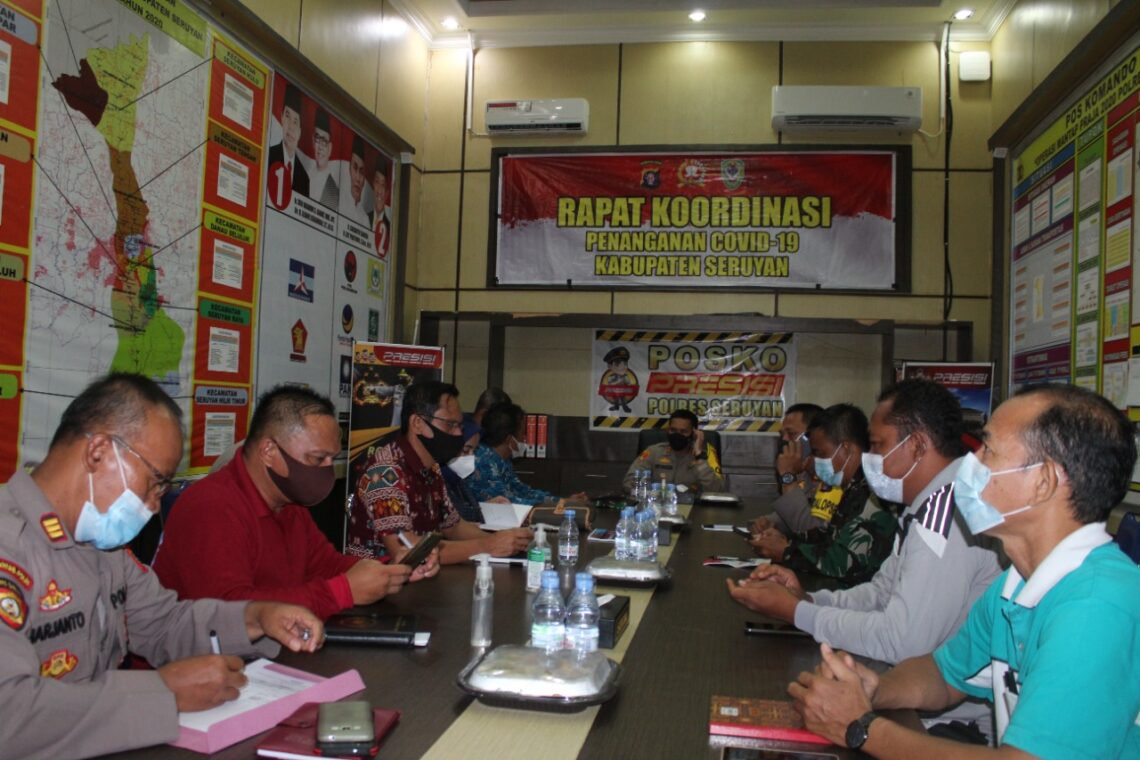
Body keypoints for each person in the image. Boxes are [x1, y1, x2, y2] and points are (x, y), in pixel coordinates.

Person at [788, 385, 1140, 758]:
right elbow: (943, 674)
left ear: (1043, 482)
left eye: (988, 451)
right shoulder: (1016, 583)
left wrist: (862, 728)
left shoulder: (1096, 606)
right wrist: (873, 687)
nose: (969, 464)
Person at [0, 374, 324, 759]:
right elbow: (9, 713)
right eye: (156, 482)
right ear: (99, 452)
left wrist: (256, 617)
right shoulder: (11, 545)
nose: (154, 506)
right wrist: (160, 694)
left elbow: (163, 623)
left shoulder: (103, 547)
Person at [727, 379, 1002, 736]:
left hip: (946, 725)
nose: (870, 458)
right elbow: (880, 593)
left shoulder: (948, 516)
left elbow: (901, 640)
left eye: (877, 445)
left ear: (917, 445)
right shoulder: (925, 506)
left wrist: (797, 613)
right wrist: (808, 598)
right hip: (916, 699)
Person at [153, 386, 436, 621]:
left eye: (331, 458)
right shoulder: (211, 506)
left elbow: (325, 565)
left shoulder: (288, 503)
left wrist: (388, 570)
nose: (327, 470)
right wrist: (342, 592)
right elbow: (228, 610)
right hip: (192, 672)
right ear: (269, 451)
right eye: (317, 459)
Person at [346, 381, 532, 564]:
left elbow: (454, 527)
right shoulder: (385, 473)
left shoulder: (432, 468)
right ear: (418, 423)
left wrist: (508, 541)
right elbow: (408, 551)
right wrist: (488, 545)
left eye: (459, 426)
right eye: (450, 425)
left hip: (422, 580)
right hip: (380, 584)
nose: (458, 434)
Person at [749, 404, 898, 588]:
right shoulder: (852, 486)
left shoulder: (873, 491)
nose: (816, 461)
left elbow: (843, 561)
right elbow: (825, 536)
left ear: (847, 449)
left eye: (820, 453)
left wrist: (786, 551)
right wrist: (784, 541)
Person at [467, 401, 587, 505]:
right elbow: (509, 503)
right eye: (522, 434)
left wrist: (564, 500)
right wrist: (563, 504)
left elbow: (523, 491)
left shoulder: (502, 460)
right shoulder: (483, 462)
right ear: (509, 439)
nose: (525, 439)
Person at [752, 402, 826, 536]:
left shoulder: (830, 477)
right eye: (782, 434)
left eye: (791, 434)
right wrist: (771, 523)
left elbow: (809, 531)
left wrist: (787, 476)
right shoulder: (804, 473)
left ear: (814, 436)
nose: (784, 439)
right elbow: (798, 513)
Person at [622, 409, 725, 493]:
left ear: (694, 434)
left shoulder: (705, 456)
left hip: (692, 510)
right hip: (656, 507)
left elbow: (717, 491)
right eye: (673, 430)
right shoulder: (653, 452)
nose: (677, 435)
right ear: (668, 430)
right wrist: (653, 493)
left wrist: (699, 456)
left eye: (683, 431)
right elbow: (629, 483)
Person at [442, 417, 509, 523]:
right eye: (466, 450)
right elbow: (458, 522)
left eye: (474, 451)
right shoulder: (439, 482)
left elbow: (472, 513)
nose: (471, 456)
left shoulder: (458, 480)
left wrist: (489, 507)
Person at [267, 82, 309, 197]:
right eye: (287, 116)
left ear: (300, 130)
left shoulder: (304, 178)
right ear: (281, 117)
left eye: (295, 121)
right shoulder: (268, 157)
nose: (291, 126)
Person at [308, 107, 339, 209]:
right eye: (317, 138)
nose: (320, 146)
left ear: (330, 148)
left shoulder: (334, 192)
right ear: (313, 140)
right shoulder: (305, 176)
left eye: (324, 141)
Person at [339, 134, 371, 227]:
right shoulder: (336, 200)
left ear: (364, 179)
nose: (357, 178)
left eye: (361, 172)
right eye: (355, 168)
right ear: (349, 169)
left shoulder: (365, 219)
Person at [367, 163, 391, 258]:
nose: (379, 190)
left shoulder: (389, 227)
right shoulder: (364, 218)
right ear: (373, 184)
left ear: (387, 194)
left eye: (383, 185)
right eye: (377, 182)